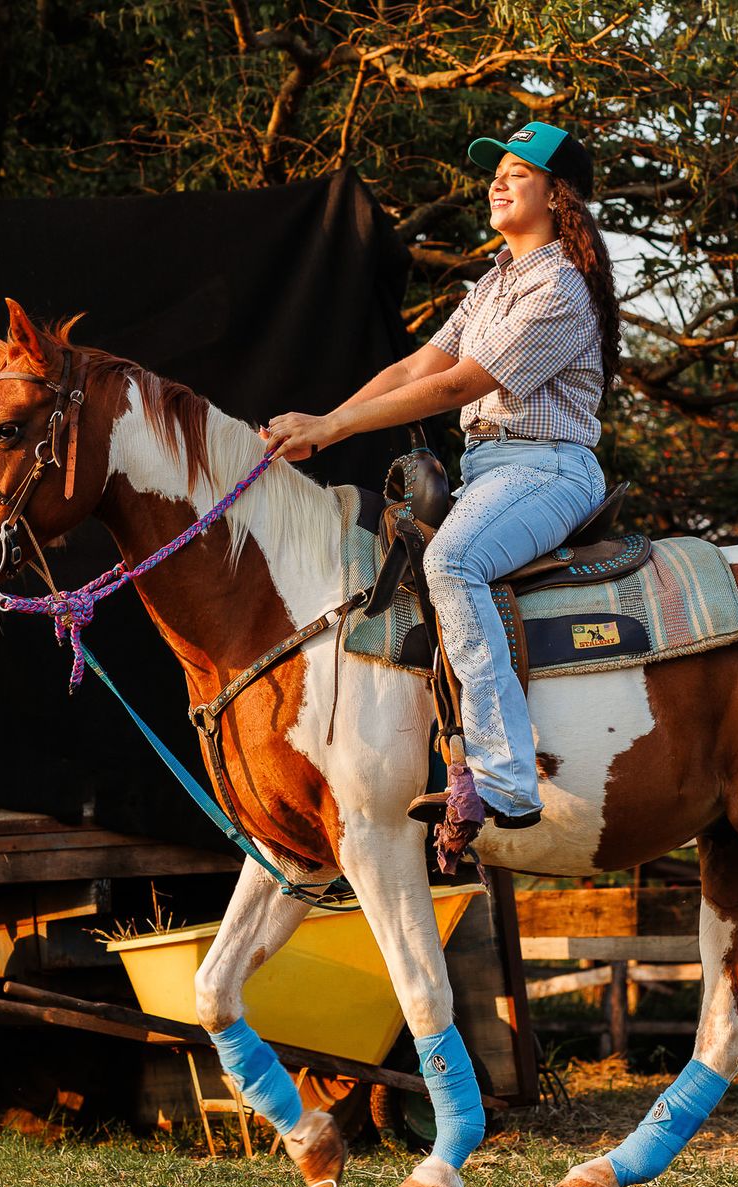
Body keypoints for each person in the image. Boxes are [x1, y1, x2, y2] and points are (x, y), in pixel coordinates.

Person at [262, 121, 621, 829]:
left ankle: (505, 779)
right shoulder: (493, 284)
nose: (497, 182)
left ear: (559, 197)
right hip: (489, 472)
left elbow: (458, 386)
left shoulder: (561, 289)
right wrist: (320, 422)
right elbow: (412, 368)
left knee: (454, 564)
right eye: (498, 170)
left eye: (518, 173)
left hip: (548, 469)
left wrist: (333, 429)